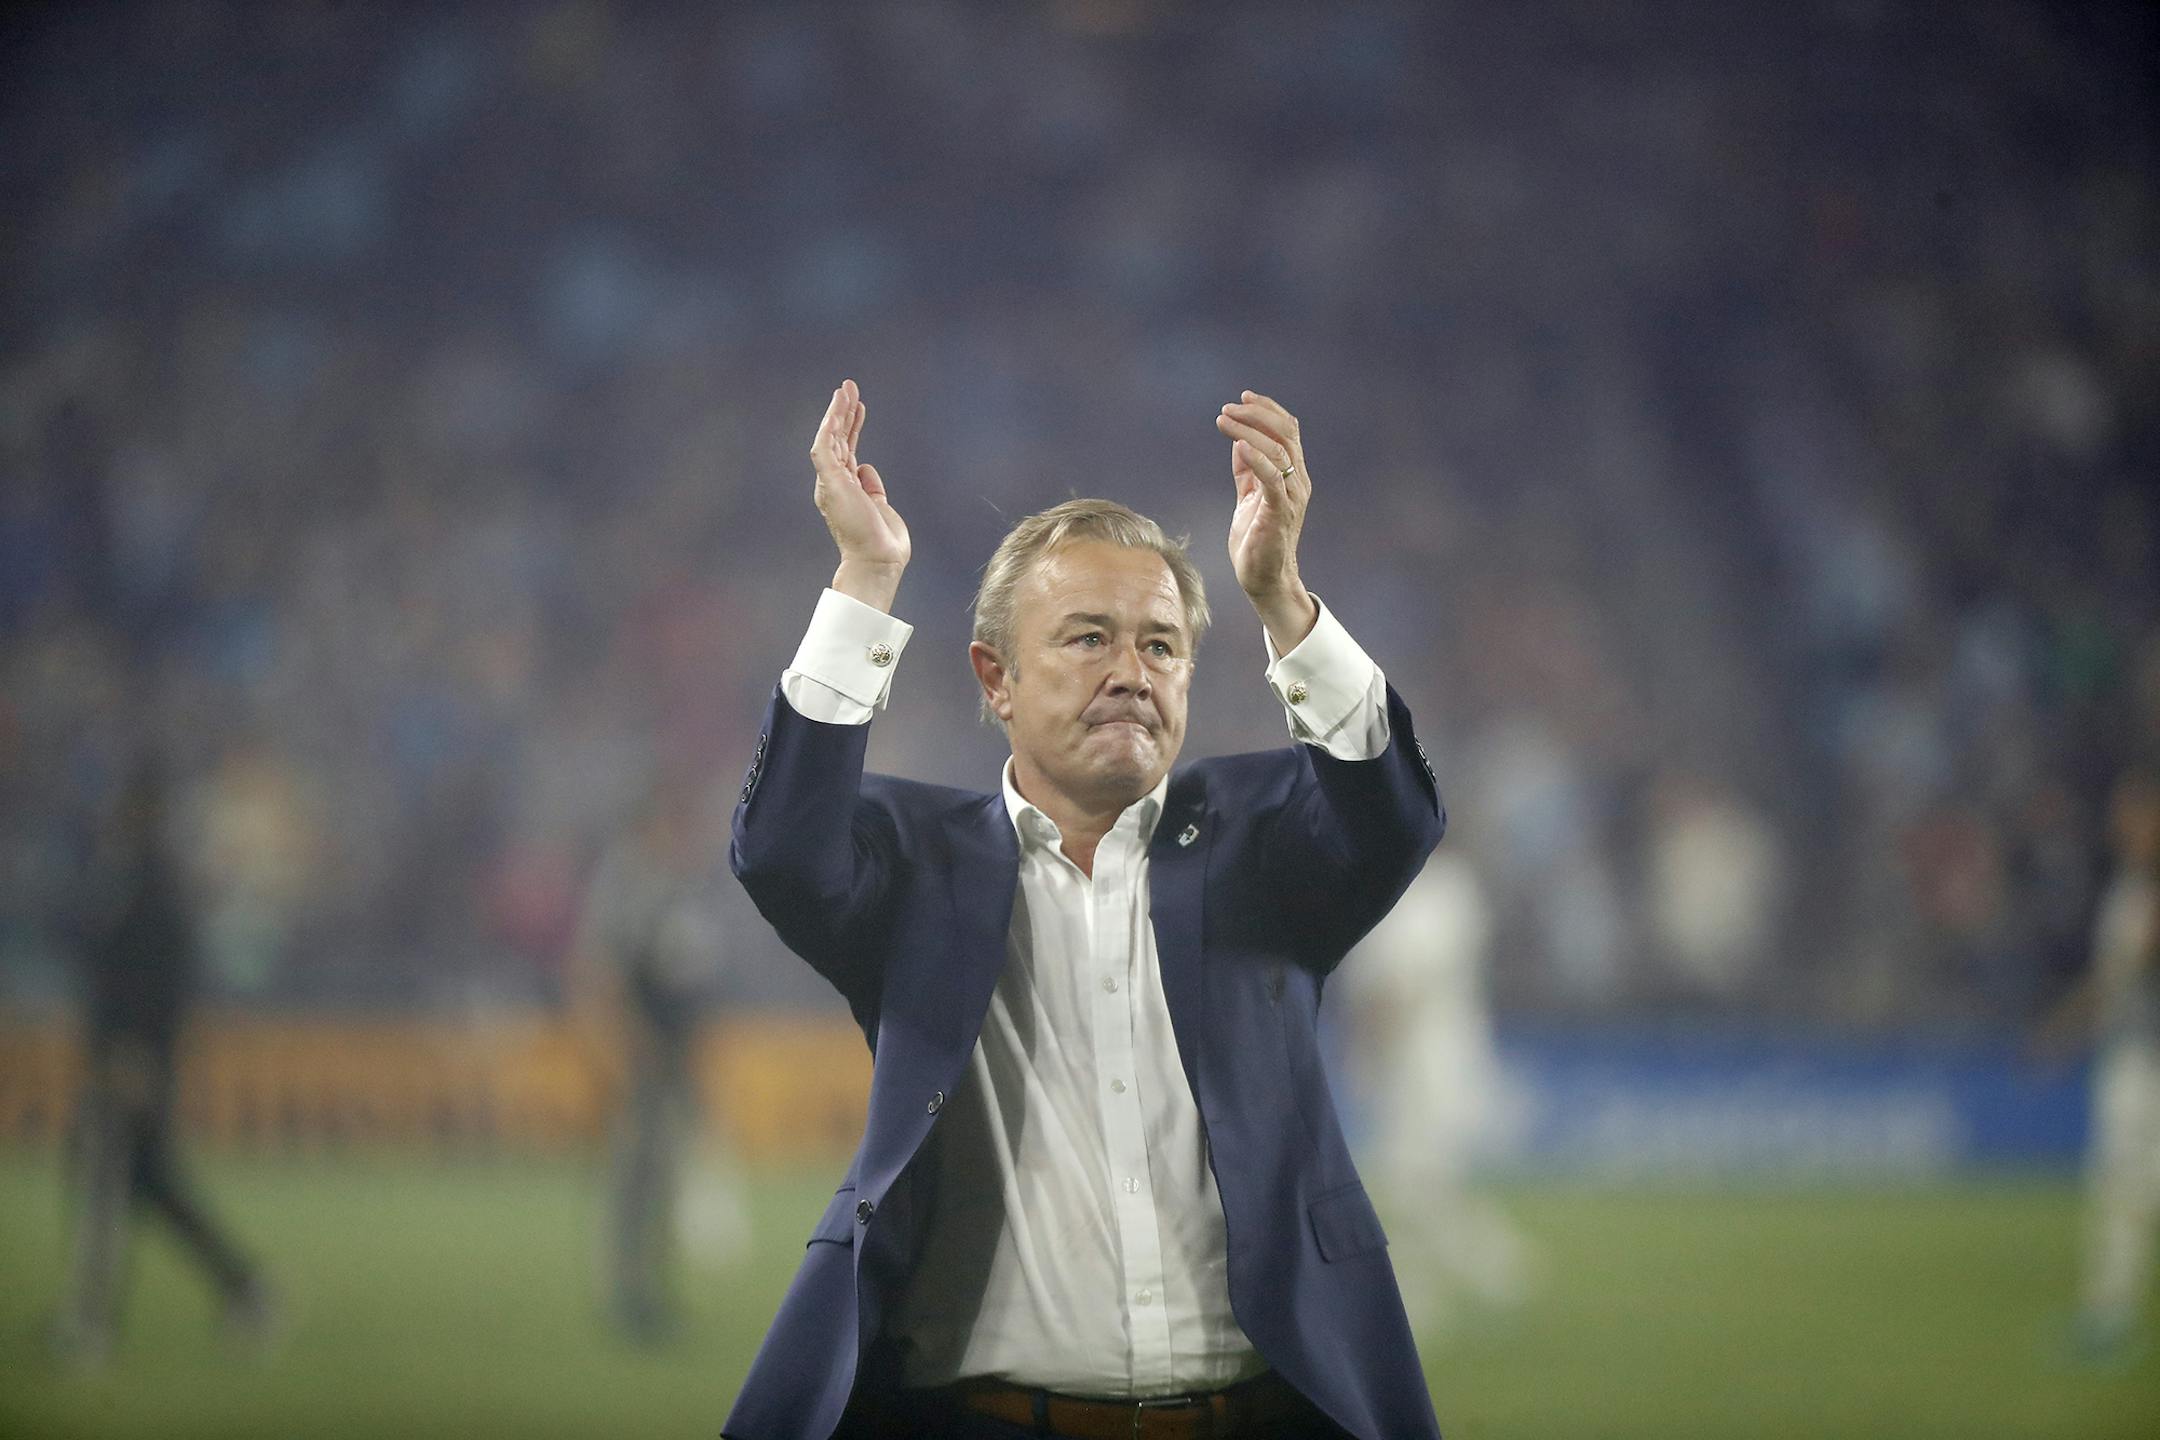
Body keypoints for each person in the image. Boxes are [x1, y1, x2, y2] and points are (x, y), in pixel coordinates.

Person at [723, 379, 1447, 1439]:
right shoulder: (916, 866)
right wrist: (865, 578)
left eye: (1160, 645)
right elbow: (782, 852)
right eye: (1088, 638)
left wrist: (1283, 600)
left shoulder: (1261, 844)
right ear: (997, 678)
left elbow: (1393, 823)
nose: (1130, 673)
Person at [51, 762, 275, 1366]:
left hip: (131, 1059)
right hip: (126, 1054)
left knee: (104, 1182)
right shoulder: (127, 876)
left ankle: (90, 1324)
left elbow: (158, 981)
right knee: (149, 1182)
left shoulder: (151, 883)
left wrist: (137, 1053)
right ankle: (245, 1287)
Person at [567, 780, 748, 1343]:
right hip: (642, 1048)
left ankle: (653, 1289)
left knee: (666, 1172)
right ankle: (629, 1294)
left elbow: (695, 974)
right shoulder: (628, 880)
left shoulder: (686, 883)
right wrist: (620, 1047)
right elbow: (601, 971)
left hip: (675, 1051)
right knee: (637, 1173)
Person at [1333, 850, 1536, 1338]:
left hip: (1428, 1064)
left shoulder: (1435, 892)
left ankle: (1479, 1272)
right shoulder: (1406, 888)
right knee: (1414, 1182)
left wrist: (1369, 1049)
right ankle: (1488, 1269)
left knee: (1410, 1182)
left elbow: (1401, 988)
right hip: (1416, 1061)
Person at [2038, 770, 2160, 1356]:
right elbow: (2114, 976)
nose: (2123, 828)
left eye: (2135, 816)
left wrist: (2064, 1027)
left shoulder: (2143, 892)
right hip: (2128, 1050)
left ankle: (2109, 1314)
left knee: (2128, 1182)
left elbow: (2124, 972)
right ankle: (2108, 1312)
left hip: (2146, 1056)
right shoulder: (2129, 888)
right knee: (2121, 1182)